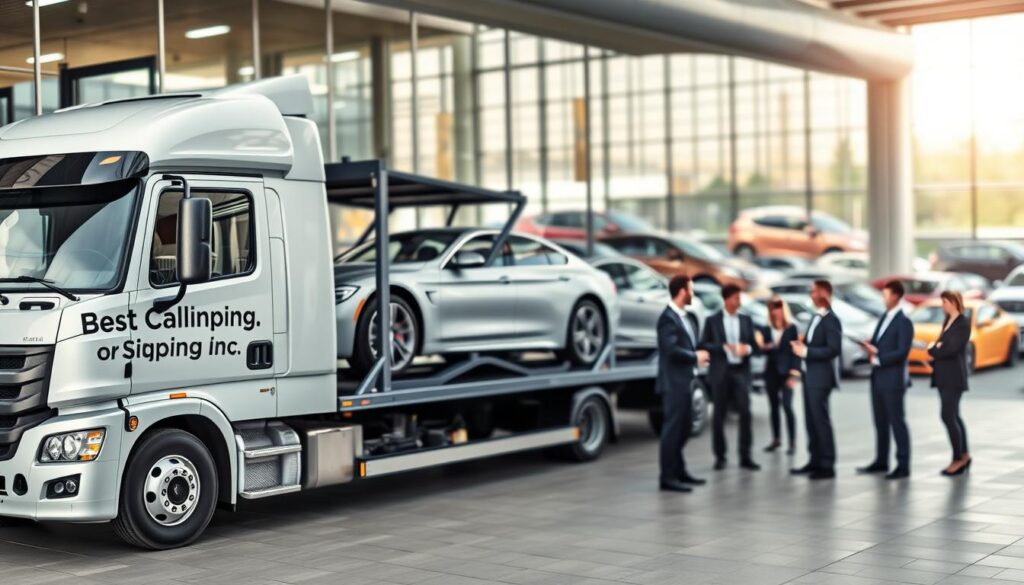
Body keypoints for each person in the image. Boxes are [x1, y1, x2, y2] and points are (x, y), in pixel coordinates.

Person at [656, 275, 711, 492]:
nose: (693, 293)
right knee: (672, 431)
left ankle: (679, 471)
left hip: (686, 381)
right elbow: (669, 351)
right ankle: (667, 477)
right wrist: (694, 356)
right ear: (682, 291)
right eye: (691, 289)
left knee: (685, 428)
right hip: (673, 384)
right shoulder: (667, 318)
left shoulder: (684, 317)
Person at [700, 284, 760, 471]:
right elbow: (703, 344)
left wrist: (747, 349)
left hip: (740, 372)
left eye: (739, 297)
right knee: (718, 416)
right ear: (726, 299)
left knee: (746, 413)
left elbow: (754, 346)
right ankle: (720, 457)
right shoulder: (712, 320)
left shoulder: (746, 320)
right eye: (736, 298)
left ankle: (746, 456)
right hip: (720, 373)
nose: (739, 301)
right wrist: (723, 348)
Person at [858, 280, 914, 480]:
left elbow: (902, 352)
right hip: (877, 379)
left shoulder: (904, 322)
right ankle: (881, 461)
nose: (883, 298)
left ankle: (903, 465)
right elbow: (879, 344)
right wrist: (869, 347)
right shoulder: (884, 318)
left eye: (886, 295)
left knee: (897, 422)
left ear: (897, 296)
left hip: (893, 381)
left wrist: (879, 357)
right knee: (880, 422)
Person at [790, 280, 842, 480]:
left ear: (824, 293)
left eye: (814, 291)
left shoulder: (831, 320)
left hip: (821, 379)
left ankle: (827, 465)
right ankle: (814, 460)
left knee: (821, 421)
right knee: (811, 421)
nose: (811, 295)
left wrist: (807, 351)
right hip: (809, 376)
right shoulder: (816, 317)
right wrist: (802, 345)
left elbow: (833, 349)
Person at [928, 290, 972, 476]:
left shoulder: (962, 323)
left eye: (944, 301)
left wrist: (933, 350)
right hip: (944, 376)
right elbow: (942, 346)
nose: (942, 305)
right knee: (954, 415)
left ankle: (957, 459)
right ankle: (964, 454)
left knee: (947, 416)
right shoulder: (948, 322)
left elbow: (950, 349)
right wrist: (936, 349)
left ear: (954, 302)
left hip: (954, 378)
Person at [758, 296, 800, 455]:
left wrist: (794, 374)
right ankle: (776, 439)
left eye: (779, 307)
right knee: (773, 407)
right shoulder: (766, 329)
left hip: (787, 373)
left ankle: (792, 442)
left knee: (788, 406)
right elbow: (761, 348)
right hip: (771, 373)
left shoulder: (792, 328)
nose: (777, 311)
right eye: (773, 308)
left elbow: (796, 352)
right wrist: (765, 346)